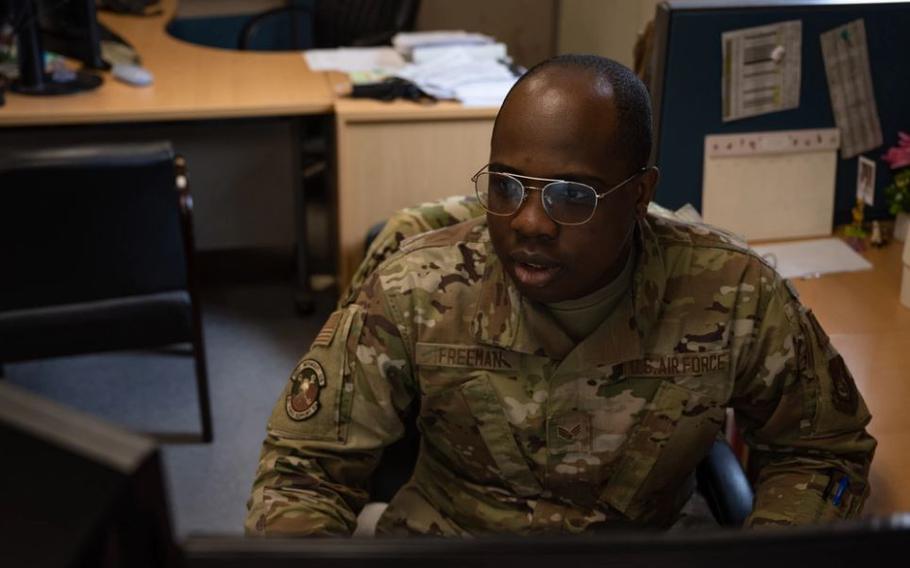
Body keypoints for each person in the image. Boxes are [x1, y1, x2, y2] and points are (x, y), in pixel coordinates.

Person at [246, 54, 875, 536]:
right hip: (449, 546)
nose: (528, 222)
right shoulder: (418, 287)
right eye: (507, 186)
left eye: (572, 196)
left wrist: (776, 551)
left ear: (638, 194)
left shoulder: (731, 292)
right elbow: (304, 471)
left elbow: (820, 450)